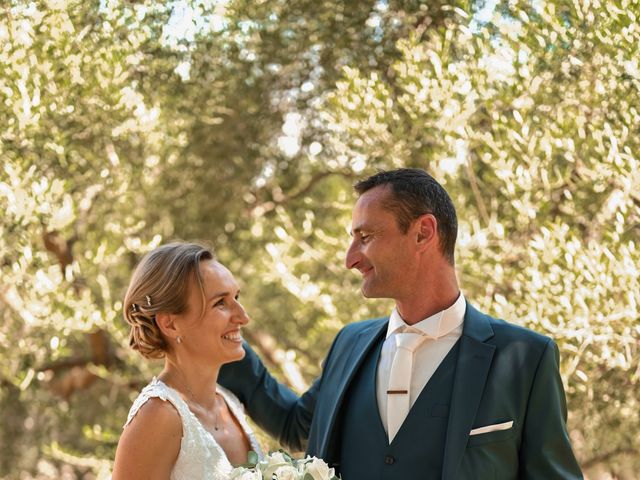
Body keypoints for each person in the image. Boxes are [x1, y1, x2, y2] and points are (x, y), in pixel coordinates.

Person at [219, 168, 583, 479]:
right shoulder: (350, 343)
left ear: (423, 232)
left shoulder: (524, 358)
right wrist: (217, 338)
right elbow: (296, 426)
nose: (350, 260)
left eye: (366, 237)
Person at [112, 242, 262, 480]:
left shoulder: (228, 403)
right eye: (220, 303)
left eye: (236, 297)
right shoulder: (158, 416)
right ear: (170, 324)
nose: (243, 317)